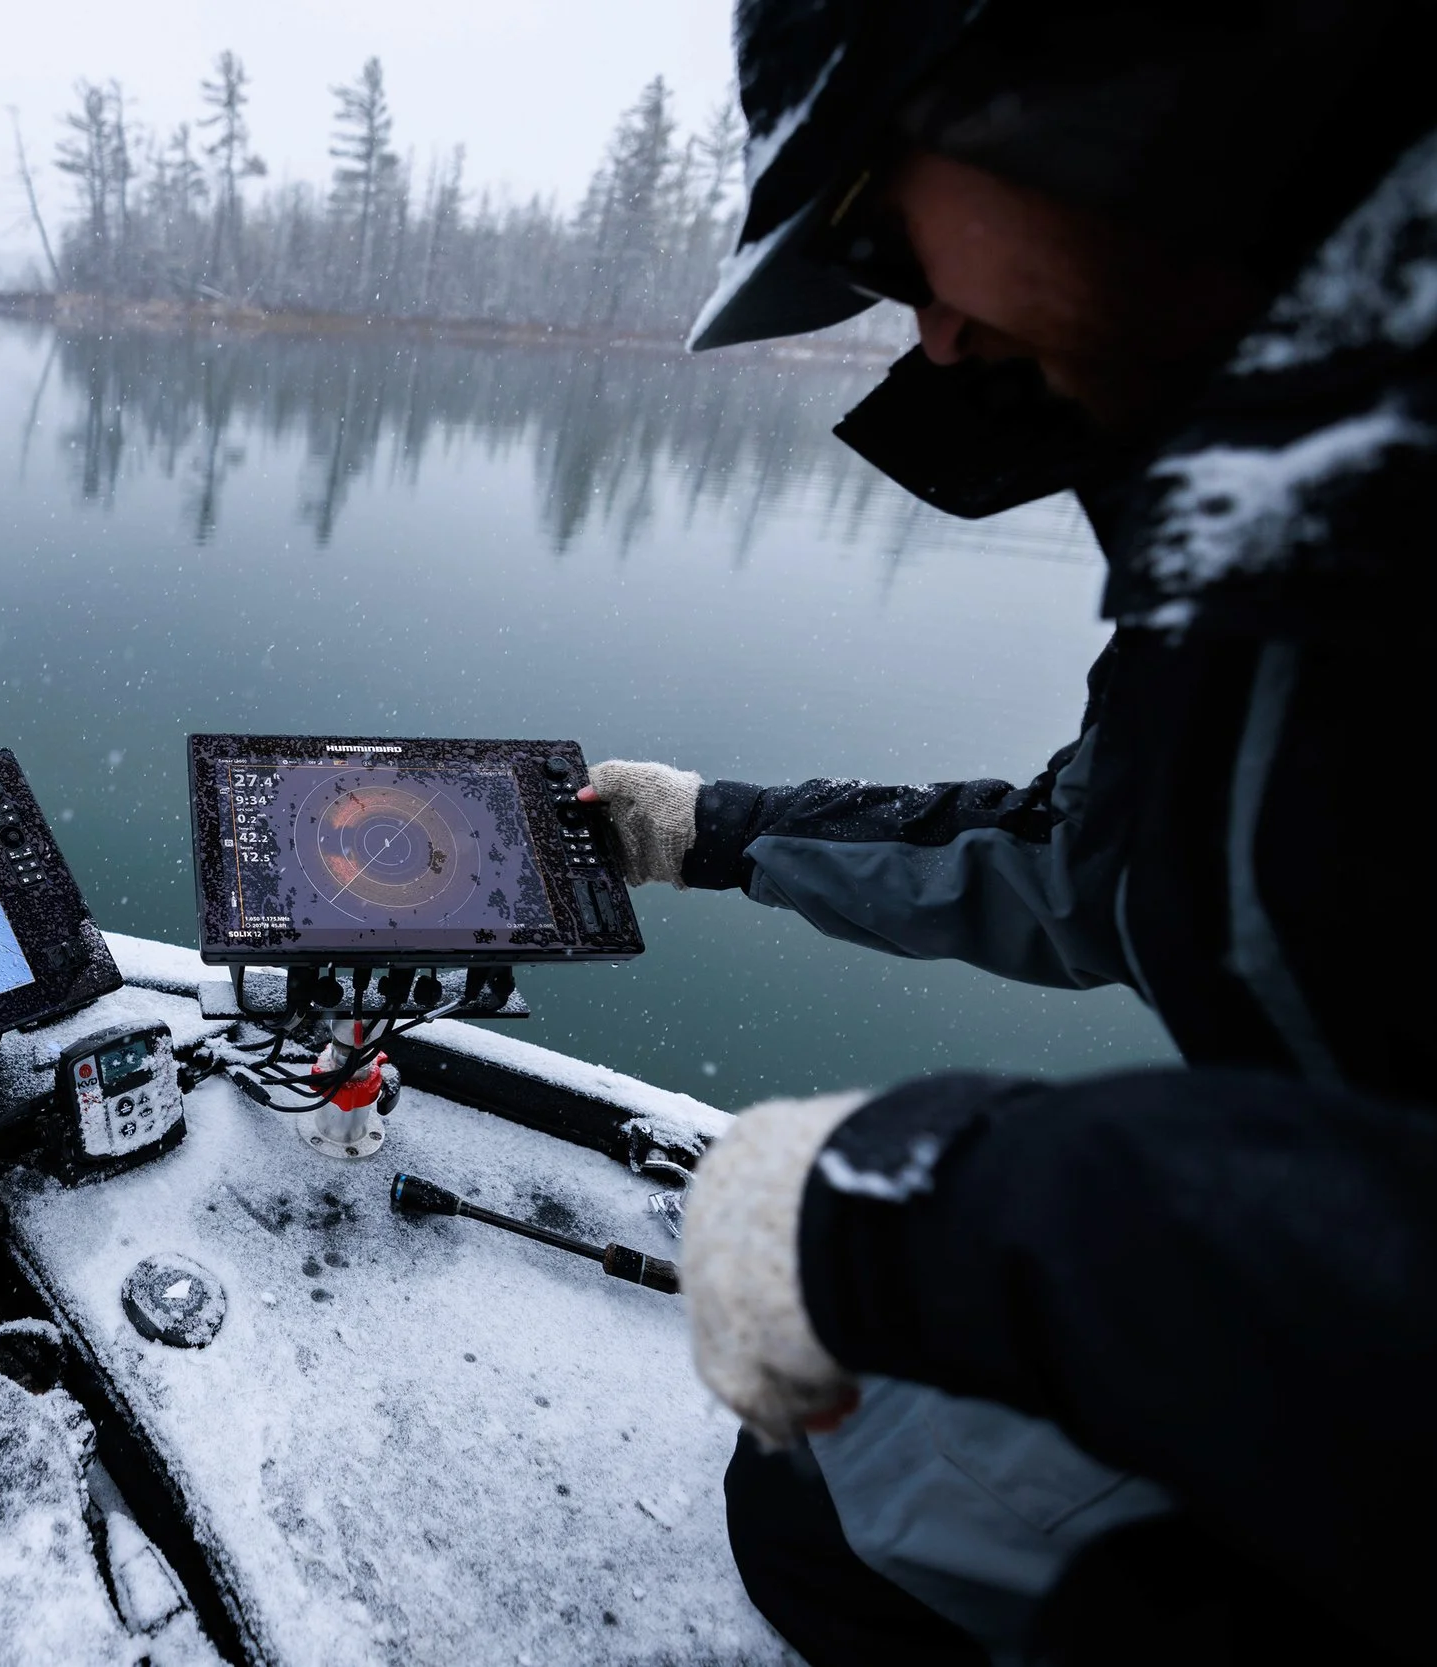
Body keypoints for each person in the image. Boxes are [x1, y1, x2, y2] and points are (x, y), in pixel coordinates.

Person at [574, 2, 1437, 1661]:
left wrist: (924, 1208)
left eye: (887, 239)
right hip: (1328, 1320)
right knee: (827, 1497)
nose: (934, 338)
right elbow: (1086, 863)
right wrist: (723, 832)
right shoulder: (1283, 513)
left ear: (1097, 84)